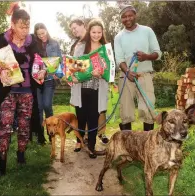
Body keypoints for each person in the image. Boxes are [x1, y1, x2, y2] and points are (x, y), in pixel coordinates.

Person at [0, 3, 43, 175]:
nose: (25, 30)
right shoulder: (2, 39)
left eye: (27, 26)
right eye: (21, 26)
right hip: (7, 92)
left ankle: (21, 153)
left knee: (25, 126)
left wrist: (42, 70)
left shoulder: (32, 42)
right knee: (5, 126)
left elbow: (40, 61)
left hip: (27, 92)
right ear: (13, 24)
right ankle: (2, 162)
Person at [114, 5, 162, 131]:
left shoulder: (147, 31)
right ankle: (126, 145)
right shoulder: (118, 37)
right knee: (126, 111)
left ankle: (147, 144)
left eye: (130, 15)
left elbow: (157, 53)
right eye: (124, 17)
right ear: (121, 19)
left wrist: (146, 56)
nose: (127, 19)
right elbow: (119, 59)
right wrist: (128, 72)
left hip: (145, 75)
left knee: (147, 110)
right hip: (125, 76)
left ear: (135, 15)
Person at [69, 19, 109, 159]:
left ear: (102, 33)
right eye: (93, 32)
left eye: (99, 32)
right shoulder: (81, 46)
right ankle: (79, 141)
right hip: (81, 88)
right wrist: (74, 75)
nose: (96, 35)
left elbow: (109, 69)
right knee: (81, 117)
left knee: (93, 118)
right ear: (89, 31)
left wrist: (101, 73)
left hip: (97, 88)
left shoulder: (105, 49)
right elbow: (74, 65)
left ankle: (91, 146)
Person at [34, 23, 62, 145]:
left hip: (50, 79)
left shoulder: (54, 43)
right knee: (39, 108)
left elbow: (59, 59)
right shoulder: (34, 44)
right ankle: (41, 136)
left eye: (43, 33)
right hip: (37, 80)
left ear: (47, 31)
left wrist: (56, 72)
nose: (41, 36)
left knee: (47, 106)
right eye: (39, 34)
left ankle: (52, 132)